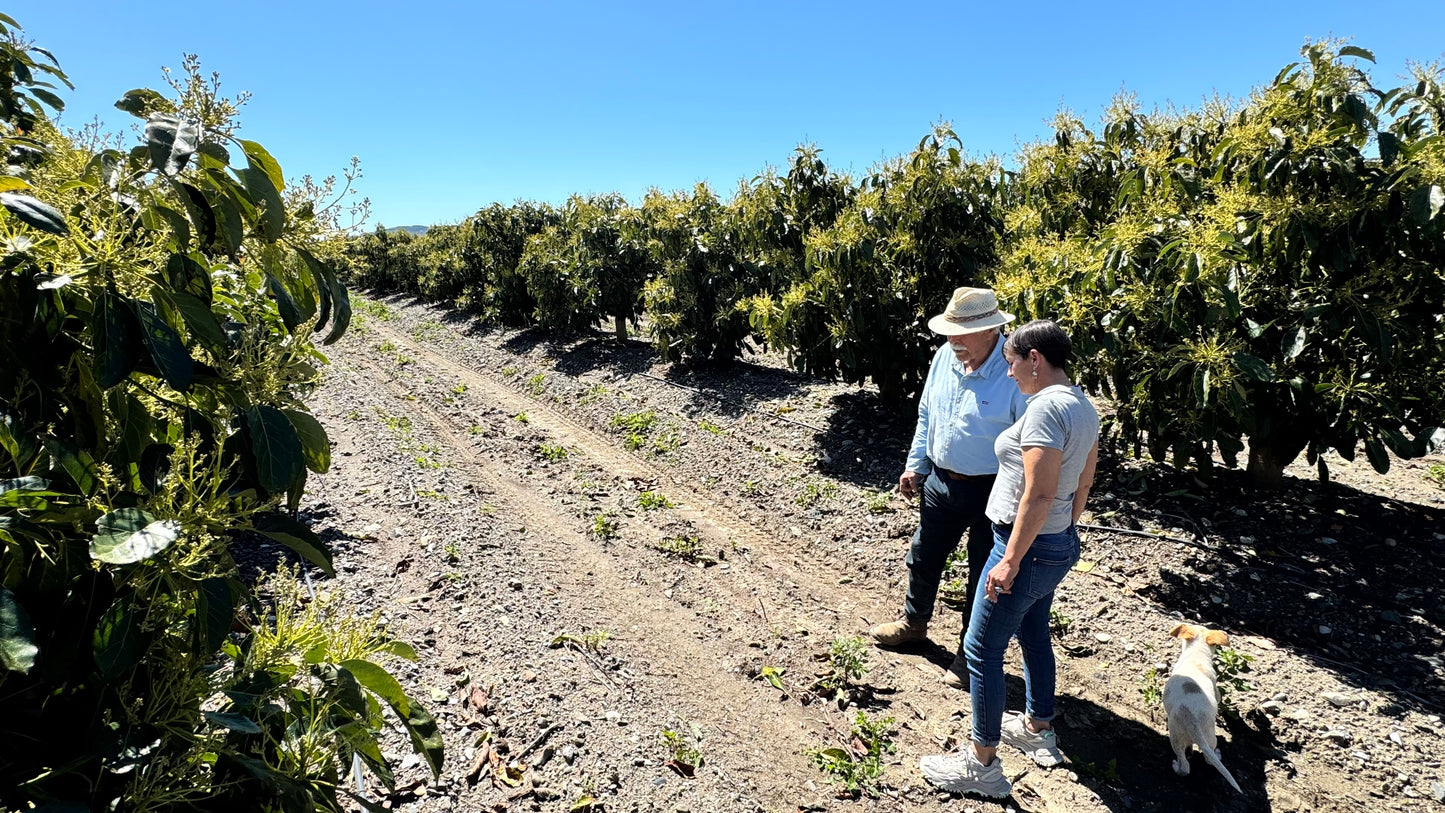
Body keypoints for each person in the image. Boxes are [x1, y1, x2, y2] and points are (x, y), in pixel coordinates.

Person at [919, 319, 1100, 799]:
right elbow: (1081, 483)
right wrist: (1062, 529)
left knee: (981, 649)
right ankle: (1038, 727)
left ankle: (982, 765)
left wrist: (1011, 558)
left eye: (1013, 363)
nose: (1011, 373)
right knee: (1033, 630)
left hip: (1024, 547)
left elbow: (1038, 496)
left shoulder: (1043, 412)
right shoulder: (1082, 405)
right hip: (1056, 542)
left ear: (1034, 359)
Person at [869, 287, 1029, 689]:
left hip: (993, 490)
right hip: (941, 482)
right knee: (923, 555)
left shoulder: (1016, 374)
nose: (952, 340)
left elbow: (1030, 445)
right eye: (950, 332)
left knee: (982, 573)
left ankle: (968, 653)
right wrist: (915, 465)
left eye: (961, 333)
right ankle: (914, 624)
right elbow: (928, 414)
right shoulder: (945, 358)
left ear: (992, 330)